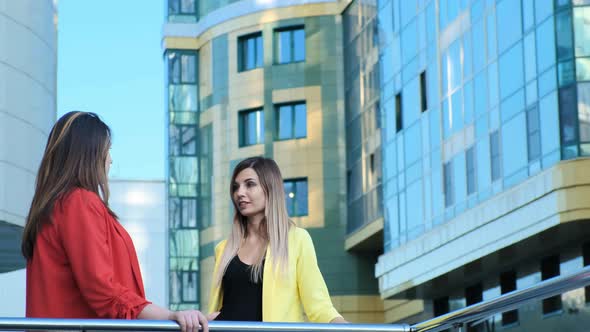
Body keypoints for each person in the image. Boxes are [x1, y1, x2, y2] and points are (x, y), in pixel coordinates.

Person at [22, 111, 208, 332]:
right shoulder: (78, 202)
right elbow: (102, 290)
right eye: (107, 150)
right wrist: (170, 316)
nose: (110, 159)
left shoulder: (57, 206)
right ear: (90, 153)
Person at [208, 157, 348, 323]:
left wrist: (348, 328)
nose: (240, 193)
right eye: (235, 187)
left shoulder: (298, 240)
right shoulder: (223, 249)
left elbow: (319, 306)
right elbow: (219, 308)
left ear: (270, 189)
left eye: (250, 184)